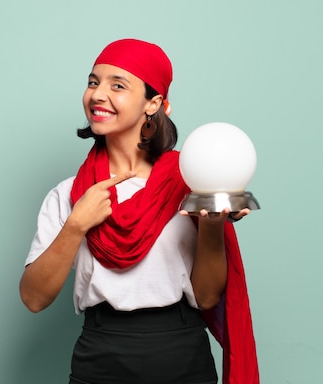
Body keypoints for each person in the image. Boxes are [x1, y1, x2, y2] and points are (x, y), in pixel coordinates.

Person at [19, 38, 259, 384]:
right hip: (101, 350)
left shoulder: (191, 183)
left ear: (154, 104)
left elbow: (206, 296)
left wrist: (212, 225)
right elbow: (33, 298)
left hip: (181, 348)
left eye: (118, 85)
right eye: (93, 82)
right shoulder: (69, 195)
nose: (98, 94)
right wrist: (76, 225)